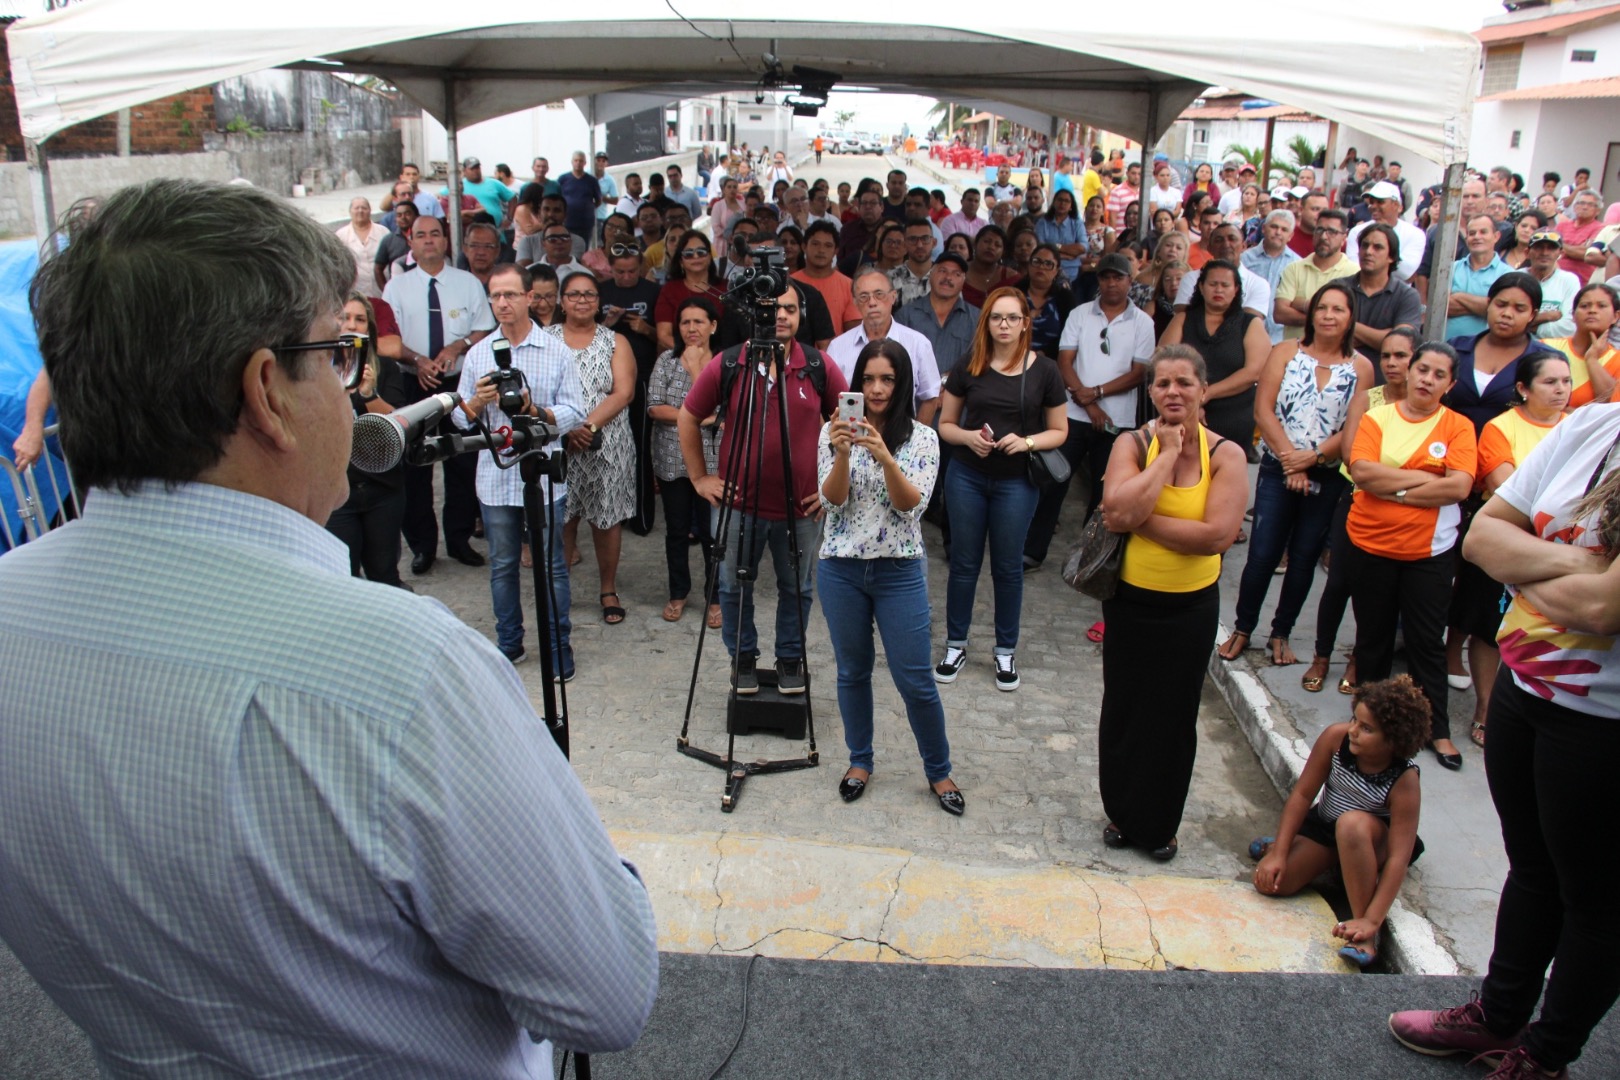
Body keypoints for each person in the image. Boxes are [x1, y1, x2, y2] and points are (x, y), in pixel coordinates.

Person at [0, 177, 657, 1076]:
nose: (354, 391)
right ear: (267, 390)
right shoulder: (408, 673)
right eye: (339, 357)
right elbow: (608, 992)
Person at [1388, 403, 1620, 1079]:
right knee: (1532, 864)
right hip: (1524, 690)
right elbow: (1482, 540)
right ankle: (1498, 1012)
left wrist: (1530, 569)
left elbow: (1605, 610)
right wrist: (1583, 563)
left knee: (1597, 896)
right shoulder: (1593, 425)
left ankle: (1546, 1056)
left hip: (1604, 720)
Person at [1099, 345, 1248, 861]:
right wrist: (1163, 456)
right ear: (1151, 392)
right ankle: (1121, 811)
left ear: (1204, 391)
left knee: (1172, 716)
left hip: (1190, 609)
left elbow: (1215, 536)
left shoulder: (1227, 454)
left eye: (1184, 383)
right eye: (1163, 384)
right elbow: (1115, 510)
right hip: (1130, 602)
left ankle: (1160, 824)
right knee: (1124, 709)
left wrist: (1139, 519)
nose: (1173, 392)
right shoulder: (1133, 443)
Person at [678, 280, 849, 695]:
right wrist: (700, 478)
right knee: (734, 586)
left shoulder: (818, 365)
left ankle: (791, 658)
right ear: (755, 314)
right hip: (739, 505)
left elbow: (848, 427)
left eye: (790, 308)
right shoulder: (729, 363)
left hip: (802, 508)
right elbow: (687, 417)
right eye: (774, 308)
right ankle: (743, 658)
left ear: (800, 314)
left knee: (798, 589)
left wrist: (831, 488)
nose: (782, 316)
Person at [817, 339, 960, 813]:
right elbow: (833, 502)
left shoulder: (923, 438)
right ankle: (860, 761)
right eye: (869, 379)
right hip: (840, 569)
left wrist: (883, 455)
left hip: (898, 569)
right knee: (853, 670)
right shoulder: (831, 431)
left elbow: (911, 506)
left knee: (915, 678)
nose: (876, 389)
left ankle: (939, 771)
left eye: (888, 379)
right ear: (856, 384)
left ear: (902, 385)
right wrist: (841, 453)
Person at [1217, 281, 1373, 666]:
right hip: (1276, 467)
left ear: (1351, 317)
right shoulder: (1286, 351)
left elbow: (1352, 427)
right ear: (1311, 313)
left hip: (1326, 474)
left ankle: (1281, 633)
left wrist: (1312, 459)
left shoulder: (1362, 367)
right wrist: (1291, 459)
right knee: (1262, 553)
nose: (1329, 316)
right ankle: (1243, 628)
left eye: (1338, 309)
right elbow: (1263, 411)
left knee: (1304, 558)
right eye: (1322, 307)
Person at [1345, 341, 1477, 769]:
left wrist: (1394, 488)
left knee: (1425, 643)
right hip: (1372, 545)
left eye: (1439, 375)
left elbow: (1458, 487)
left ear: (1450, 384)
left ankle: (1436, 730)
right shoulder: (1378, 416)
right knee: (1373, 638)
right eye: (1422, 369)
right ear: (1409, 371)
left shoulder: (1457, 426)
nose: (1427, 379)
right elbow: (1362, 472)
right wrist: (1422, 483)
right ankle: (1367, 724)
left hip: (1428, 553)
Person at [933, 288, 1068, 692]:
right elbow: (946, 424)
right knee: (964, 564)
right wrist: (969, 437)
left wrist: (1027, 442)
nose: (1004, 325)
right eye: (997, 317)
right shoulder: (969, 365)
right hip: (968, 475)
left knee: (1008, 567)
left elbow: (1060, 432)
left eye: (1012, 317)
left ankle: (1005, 649)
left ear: (1025, 323)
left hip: (1016, 481)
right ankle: (956, 644)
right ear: (986, 323)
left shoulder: (1044, 371)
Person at [453, 264, 588, 671]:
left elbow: (576, 411)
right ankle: (509, 643)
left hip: (543, 474)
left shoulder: (556, 349)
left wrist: (535, 410)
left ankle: (556, 646)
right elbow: (460, 421)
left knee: (552, 568)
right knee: (503, 566)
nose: (502, 303)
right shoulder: (478, 354)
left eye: (510, 294)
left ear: (530, 297)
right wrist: (476, 403)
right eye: (495, 296)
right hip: (495, 477)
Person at [1250, 677, 1428, 969]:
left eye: (1367, 728)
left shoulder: (1404, 780)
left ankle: (1364, 938)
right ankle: (1291, 848)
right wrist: (1281, 854)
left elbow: (1398, 857)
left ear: (1394, 741)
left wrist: (1372, 920)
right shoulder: (1336, 739)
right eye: (1354, 720)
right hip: (1325, 827)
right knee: (1272, 884)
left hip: (1370, 840)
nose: (1354, 731)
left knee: (1352, 825)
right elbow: (1303, 795)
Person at [1456, 351, 1572, 748]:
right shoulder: (1499, 428)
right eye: (1550, 382)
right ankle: (1486, 707)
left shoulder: (1578, 429)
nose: (1561, 390)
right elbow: (1508, 489)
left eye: (1566, 381)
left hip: (1556, 550)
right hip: (1506, 543)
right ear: (1522, 389)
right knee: (1489, 630)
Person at [1022, 251, 1153, 579]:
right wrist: (1090, 403)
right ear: (1098, 280)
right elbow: (1065, 360)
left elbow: (1139, 373)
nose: (1111, 283)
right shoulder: (1081, 313)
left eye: (1118, 277)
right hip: (1075, 415)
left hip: (1119, 420)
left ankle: (1090, 558)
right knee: (1054, 481)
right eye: (1106, 277)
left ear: (1129, 281)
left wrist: (1096, 394)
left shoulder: (1143, 322)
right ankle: (1032, 551)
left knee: (1105, 492)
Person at [1304, 327, 1418, 694]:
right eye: (1386, 356)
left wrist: (1383, 475)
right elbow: (1353, 456)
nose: (1392, 363)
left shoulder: (1427, 411)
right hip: (1356, 499)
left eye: (1401, 355)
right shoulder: (1369, 399)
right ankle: (1321, 657)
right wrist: (1405, 479)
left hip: (1402, 514)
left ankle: (1357, 660)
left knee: (1377, 592)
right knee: (1338, 582)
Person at [382, 215, 495, 575]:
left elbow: (484, 327)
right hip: (413, 383)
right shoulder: (396, 288)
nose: (428, 240)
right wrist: (418, 361)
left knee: (461, 461)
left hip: (457, 382)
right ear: (409, 243)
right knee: (415, 466)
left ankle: (459, 540)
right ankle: (422, 546)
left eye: (435, 234)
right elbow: (390, 338)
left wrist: (456, 347)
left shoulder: (467, 284)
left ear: (445, 241)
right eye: (420, 235)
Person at [545, 272, 636, 627]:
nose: (582, 301)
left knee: (606, 517)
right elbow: (538, 391)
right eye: (573, 295)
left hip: (607, 443)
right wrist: (566, 429)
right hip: (557, 441)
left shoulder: (616, 341)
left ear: (598, 301)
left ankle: (608, 589)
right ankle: (559, 588)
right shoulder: (546, 340)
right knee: (562, 517)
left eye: (589, 295)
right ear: (561, 301)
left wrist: (586, 426)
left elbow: (623, 392)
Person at [325, 292, 410, 588]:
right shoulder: (317, 369)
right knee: (344, 578)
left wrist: (369, 394)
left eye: (359, 319)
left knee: (384, 576)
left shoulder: (386, 368)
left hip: (382, 487)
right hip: (338, 491)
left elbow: (398, 424)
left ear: (369, 329)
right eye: (345, 318)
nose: (351, 325)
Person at [647, 296, 723, 628]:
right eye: (685, 322)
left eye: (699, 321)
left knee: (712, 532)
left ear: (713, 326)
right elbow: (654, 407)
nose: (691, 328)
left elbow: (726, 409)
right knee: (676, 530)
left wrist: (695, 371)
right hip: (671, 457)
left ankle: (716, 596)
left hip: (713, 462)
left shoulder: (724, 362)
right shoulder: (666, 359)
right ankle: (678, 592)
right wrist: (699, 420)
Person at [1160, 260, 1271, 452]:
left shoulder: (1250, 324)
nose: (1218, 290)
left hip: (1233, 418)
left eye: (1225, 285)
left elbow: (1254, 372)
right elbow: (1162, 360)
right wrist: (1191, 401)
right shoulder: (1183, 319)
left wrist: (1207, 393)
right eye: (1213, 284)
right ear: (1201, 287)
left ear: (1236, 289)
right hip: (1182, 411)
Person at [827, 268, 942, 425]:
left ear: (893, 297)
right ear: (855, 303)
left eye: (879, 294)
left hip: (902, 441)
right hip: (852, 441)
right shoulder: (838, 347)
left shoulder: (918, 344)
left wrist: (914, 440)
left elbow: (930, 397)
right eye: (864, 297)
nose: (872, 303)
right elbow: (829, 399)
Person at [1337, 223, 1423, 364]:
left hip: (1382, 379)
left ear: (1391, 257)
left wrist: (1348, 324)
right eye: (1364, 245)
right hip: (1337, 374)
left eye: (1377, 247)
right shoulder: (1338, 288)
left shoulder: (1407, 295)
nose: (1368, 252)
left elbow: (1399, 343)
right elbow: (1325, 333)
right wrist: (1380, 337)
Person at [1275, 209, 1356, 340]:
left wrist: (1304, 305)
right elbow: (1280, 314)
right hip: (1294, 352)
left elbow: (1352, 321)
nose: (1324, 236)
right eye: (1319, 230)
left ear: (1344, 238)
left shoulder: (1354, 273)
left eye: (1332, 232)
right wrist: (1328, 317)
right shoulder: (1294, 268)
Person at [1543, 281, 1620, 406]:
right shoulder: (1547, 348)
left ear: (1616, 317)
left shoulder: (1617, 360)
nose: (1592, 311)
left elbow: (1611, 407)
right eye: (1584, 306)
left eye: (1601, 306)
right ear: (1573, 315)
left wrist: (1592, 361)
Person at [655, 230, 725, 353]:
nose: (696, 257)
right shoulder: (669, 290)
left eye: (701, 252)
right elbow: (664, 335)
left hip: (721, 359)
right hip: (681, 358)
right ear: (681, 261)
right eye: (688, 254)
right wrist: (692, 353)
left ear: (709, 257)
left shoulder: (726, 288)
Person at [1446, 214, 1512, 339]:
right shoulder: (1449, 269)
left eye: (1483, 232)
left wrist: (1459, 296)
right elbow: (1441, 307)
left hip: (1485, 350)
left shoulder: (1508, 274)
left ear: (1496, 236)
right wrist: (1485, 306)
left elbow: (1502, 312)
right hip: (1447, 347)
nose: (1477, 237)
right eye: (1472, 233)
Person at [1243, 209, 1300, 344]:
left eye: (1284, 229)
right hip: (1246, 335)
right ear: (1263, 229)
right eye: (1274, 227)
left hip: (1282, 339)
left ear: (1290, 235)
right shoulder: (1245, 259)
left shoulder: (1297, 264)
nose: (1278, 232)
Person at [794, 220, 862, 333]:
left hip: (835, 350)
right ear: (804, 246)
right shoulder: (791, 283)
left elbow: (853, 332)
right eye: (815, 244)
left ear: (836, 251)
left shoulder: (849, 286)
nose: (821, 250)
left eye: (828, 246)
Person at [1017, 241, 1078, 362]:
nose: (1041, 267)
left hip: (1051, 362)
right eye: (1036, 261)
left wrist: (1042, 354)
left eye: (1048, 264)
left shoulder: (1065, 298)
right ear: (1029, 265)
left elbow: (1070, 336)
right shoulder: (1013, 293)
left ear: (1057, 271)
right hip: (1013, 358)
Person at [1523, 228, 1581, 340]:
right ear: (1527, 253)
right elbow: (1505, 320)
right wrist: (1547, 316)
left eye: (1551, 248)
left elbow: (1570, 327)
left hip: (1554, 352)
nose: (1544, 253)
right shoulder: (1514, 277)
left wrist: (1531, 327)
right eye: (1538, 247)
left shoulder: (1569, 280)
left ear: (1561, 253)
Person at [335, 197, 388, 298]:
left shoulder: (383, 232)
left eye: (364, 208)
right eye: (356, 208)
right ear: (350, 212)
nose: (360, 211)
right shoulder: (341, 235)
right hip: (355, 293)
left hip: (381, 291)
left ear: (370, 211)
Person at [557, 151, 603, 251]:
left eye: (581, 161)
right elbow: (557, 200)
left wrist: (588, 208)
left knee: (583, 250)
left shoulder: (591, 180)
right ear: (572, 162)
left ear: (585, 163)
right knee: (566, 249)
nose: (578, 163)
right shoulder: (563, 179)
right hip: (567, 223)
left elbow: (599, 200)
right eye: (576, 160)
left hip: (585, 224)